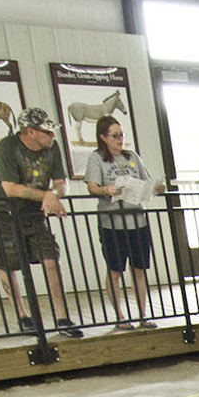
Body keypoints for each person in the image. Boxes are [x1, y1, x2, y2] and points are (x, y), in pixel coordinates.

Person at [0, 107, 81, 337]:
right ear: (29, 132)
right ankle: (23, 315)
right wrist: (47, 196)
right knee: (7, 262)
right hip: (1, 211)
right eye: (46, 132)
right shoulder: (8, 146)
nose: (51, 136)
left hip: (34, 212)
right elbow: (10, 187)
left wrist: (52, 195)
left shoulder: (51, 147)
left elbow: (61, 183)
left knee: (50, 259)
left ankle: (62, 317)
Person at [82, 115, 165, 330]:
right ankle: (119, 315)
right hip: (112, 223)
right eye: (115, 136)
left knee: (139, 268)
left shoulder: (132, 156)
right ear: (103, 137)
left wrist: (156, 187)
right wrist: (105, 190)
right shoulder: (97, 158)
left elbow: (147, 180)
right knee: (115, 269)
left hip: (137, 220)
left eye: (122, 135)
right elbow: (92, 187)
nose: (120, 140)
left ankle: (143, 314)